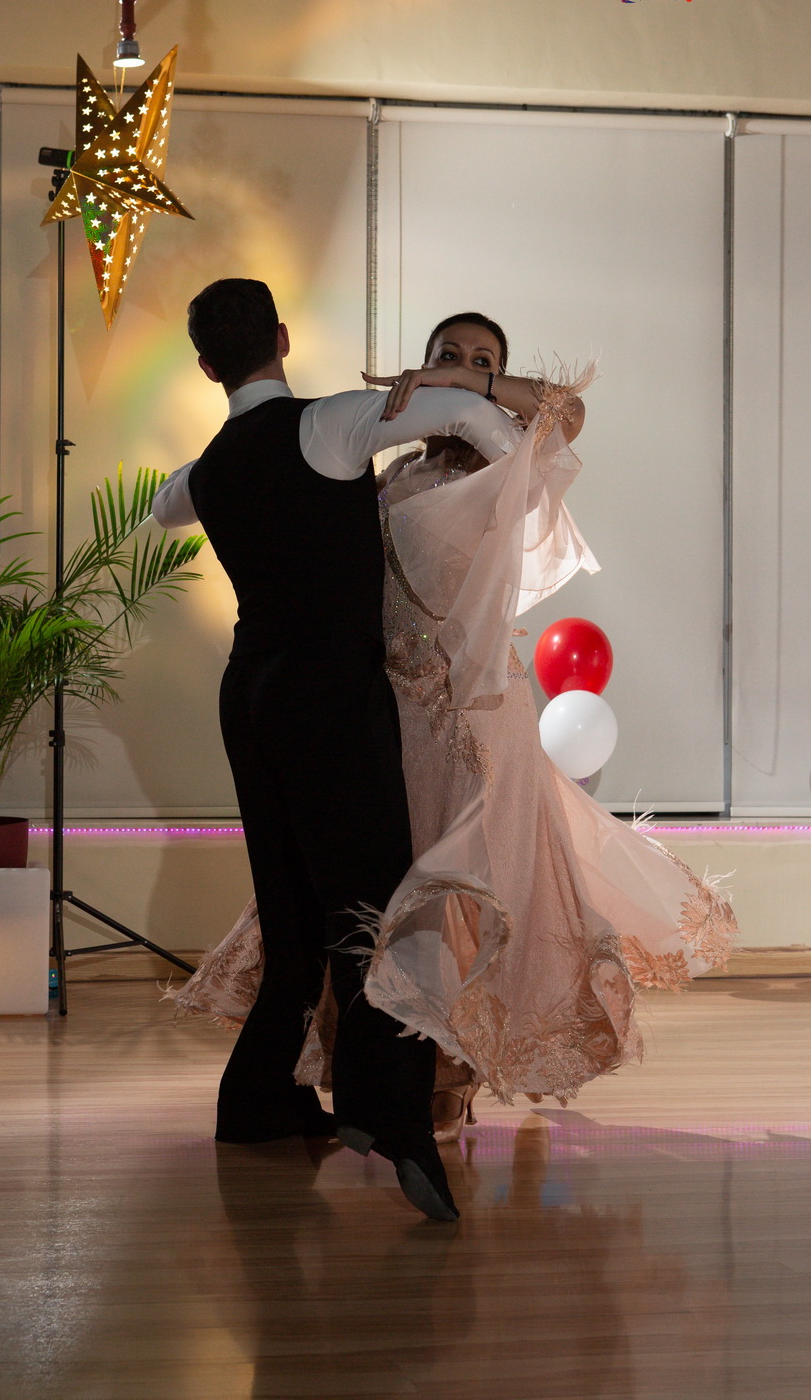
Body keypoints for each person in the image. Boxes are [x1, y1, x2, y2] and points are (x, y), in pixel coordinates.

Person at [174, 308, 738, 1141]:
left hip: (472, 716)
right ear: (420, 361)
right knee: (386, 895)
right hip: (388, 709)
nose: (463, 366)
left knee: (467, 897)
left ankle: (446, 1082)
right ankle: (393, 1078)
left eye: (481, 359)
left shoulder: (513, 462)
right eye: (447, 353)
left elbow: (567, 412)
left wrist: (461, 382)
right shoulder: (390, 469)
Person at [152, 281, 555, 1221]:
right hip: (329, 696)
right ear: (283, 338)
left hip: (248, 696)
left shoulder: (211, 466)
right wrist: (486, 462)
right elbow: (474, 422)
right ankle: (389, 1115)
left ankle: (257, 1099)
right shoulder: (328, 423)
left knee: (291, 905)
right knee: (375, 906)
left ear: (206, 365)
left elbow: (166, 507)